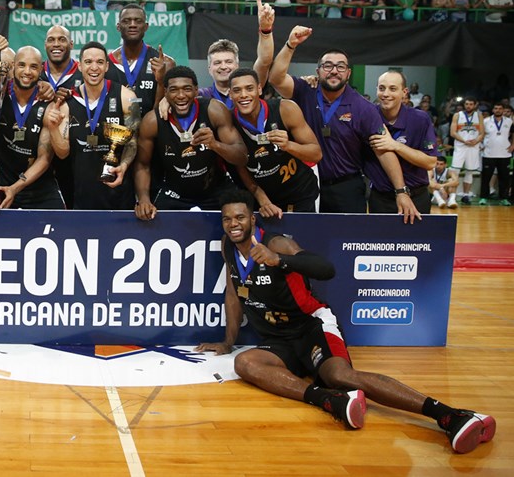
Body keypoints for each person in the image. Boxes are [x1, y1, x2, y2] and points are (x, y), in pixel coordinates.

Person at [197, 190, 496, 454]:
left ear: (252, 218)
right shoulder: (228, 246)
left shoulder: (276, 243)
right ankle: (331, 401)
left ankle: (449, 415)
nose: (233, 224)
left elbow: (326, 269)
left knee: (340, 376)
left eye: (240, 217)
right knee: (245, 363)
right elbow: (233, 294)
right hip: (278, 339)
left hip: (311, 326)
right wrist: (227, 342)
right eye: (227, 219)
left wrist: (279, 260)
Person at [269, 26, 419, 221]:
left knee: (348, 238)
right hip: (305, 184)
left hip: (346, 187)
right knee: (306, 237)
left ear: (348, 73)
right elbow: (275, 78)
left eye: (340, 67)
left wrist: (401, 191)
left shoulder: (363, 108)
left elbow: (383, 150)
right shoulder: (305, 90)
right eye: (328, 66)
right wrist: (291, 45)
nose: (334, 71)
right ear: (318, 71)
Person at [134, 65, 246, 217]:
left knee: (239, 217)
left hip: (215, 189)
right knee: (151, 219)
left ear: (196, 90)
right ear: (165, 92)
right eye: (174, 90)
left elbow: (242, 157)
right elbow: (142, 164)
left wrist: (215, 145)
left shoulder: (214, 111)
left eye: (187, 89)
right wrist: (143, 199)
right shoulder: (152, 121)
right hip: (175, 193)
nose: (181, 95)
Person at [46, 42, 139, 210]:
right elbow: (62, 153)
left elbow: (132, 142)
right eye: (88, 62)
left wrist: (124, 166)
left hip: (119, 193)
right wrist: (52, 128)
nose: (94, 68)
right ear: (80, 66)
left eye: (100, 62)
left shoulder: (127, 97)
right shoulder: (67, 103)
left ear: (107, 66)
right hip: (82, 195)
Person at [227, 68, 321, 216]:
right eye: (237, 90)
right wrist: (263, 200)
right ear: (230, 94)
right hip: (261, 198)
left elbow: (316, 154)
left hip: (299, 193)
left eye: (249, 88)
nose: (243, 95)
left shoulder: (285, 109)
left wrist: (288, 145)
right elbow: (239, 166)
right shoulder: (228, 122)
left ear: (259, 89)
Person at [0, 47, 64, 209]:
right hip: (2, 185)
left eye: (33, 67)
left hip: (38, 189)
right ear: (13, 66)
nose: (27, 72)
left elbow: (44, 158)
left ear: (41, 70)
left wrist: (15, 188)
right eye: (22, 65)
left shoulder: (49, 105)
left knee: (60, 222)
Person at [366, 71, 437, 214]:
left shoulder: (420, 119)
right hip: (381, 198)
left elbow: (430, 162)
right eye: (381, 88)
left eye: (393, 89)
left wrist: (396, 145)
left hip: (417, 196)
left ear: (404, 92)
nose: (386, 94)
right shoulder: (368, 116)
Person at [107, 4, 175, 116]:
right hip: (112, 126)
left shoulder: (166, 64)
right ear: (118, 27)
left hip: (150, 125)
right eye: (126, 21)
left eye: (138, 21)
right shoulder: (106, 64)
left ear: (146, 27)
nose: (132, 25)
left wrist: (161, 81)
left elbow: (162, 113)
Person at [449, 98, 483, 204]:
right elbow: (452, 132)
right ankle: (452, 196)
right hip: (460, 146)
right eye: (467, 104)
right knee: (455, 171)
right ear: (464, 105)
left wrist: (475, 141)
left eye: (471, 104)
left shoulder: (479, 116)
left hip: (473, 147)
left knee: (470, 172)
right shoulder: (457, 115)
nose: (468, 106)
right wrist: (464, 141)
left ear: (475, 105)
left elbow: (482, 133)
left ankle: (466, 195)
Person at [478, 101, 512, 204]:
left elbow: (513, 133)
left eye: (500, 109)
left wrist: (513, 145)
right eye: (496, 108)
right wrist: (481, 145)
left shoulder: (509, 121)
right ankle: (483, 197)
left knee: (504, 178)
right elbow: (480, 134)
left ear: (503, 110)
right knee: (486, 178)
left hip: (505, 153)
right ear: (493, 110)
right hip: (489, 153)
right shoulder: (486, 121)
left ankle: (504, 198)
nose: (498, 110)